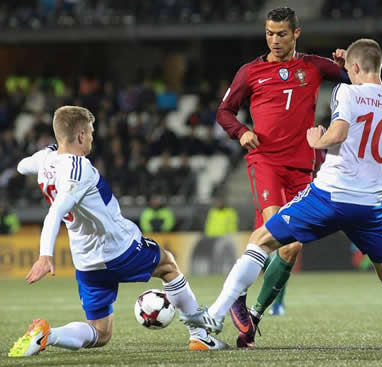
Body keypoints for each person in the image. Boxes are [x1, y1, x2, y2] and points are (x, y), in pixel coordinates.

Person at [181, 39, 382, 352]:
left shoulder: (346, 91)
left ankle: (214, 316)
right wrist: (377, 195)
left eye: (348, 68)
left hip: (329, 196)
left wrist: (318, 140)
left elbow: (340, 133)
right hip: (370, 205)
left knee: (262, 239)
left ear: (355, 68)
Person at [8, 106, 227, 358]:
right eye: (90, 132)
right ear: (80, 135)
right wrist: (45, 255)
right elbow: (56, 211)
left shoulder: (47, 160)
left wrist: (48, 154)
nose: (92, 137)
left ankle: (47, 335)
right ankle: (200, 336)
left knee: (100, 333)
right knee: (167, 265)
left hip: (86, 260)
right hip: (117, 248)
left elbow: (23, 166)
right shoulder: (79, 168)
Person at [216, 6, 350, 347]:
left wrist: (348, 63)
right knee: (275, 232)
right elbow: (224, 111)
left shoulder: (314, 66)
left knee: (290, 248)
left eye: (281, 34)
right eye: (270, 34)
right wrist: (241, 132)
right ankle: (235, 294)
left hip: (302, 168)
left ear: (296, 34)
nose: (274, 40)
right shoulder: (250, 72)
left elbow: (358, 80)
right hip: (266, 162)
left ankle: (253, 315)